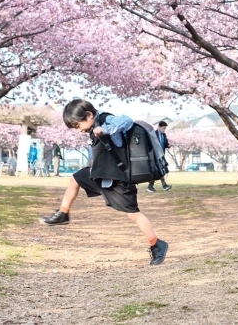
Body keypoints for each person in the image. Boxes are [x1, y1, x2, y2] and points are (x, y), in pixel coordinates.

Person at [39, 99, 169, 265]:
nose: (78, 131)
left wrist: (106, 129)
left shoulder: (106, 120)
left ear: (89, 115)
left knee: (133, 214)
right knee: (75, 179)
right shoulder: (93, 127)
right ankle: (63, 213)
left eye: (77, 126)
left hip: (118, 179)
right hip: (102, 175)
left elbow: (127, 120)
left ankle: (157, 244)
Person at [147, 121, 172, 192]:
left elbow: (165, 143)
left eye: (165, 128)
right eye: (163, 128)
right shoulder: (153, 134)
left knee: (159, 170)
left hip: (161, 155)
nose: (164, 130)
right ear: (159, 127)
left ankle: (151, 186)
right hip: (155, 155)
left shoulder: (164, 135)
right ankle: (163, 186)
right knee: (159, 170)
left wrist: (168, 146)